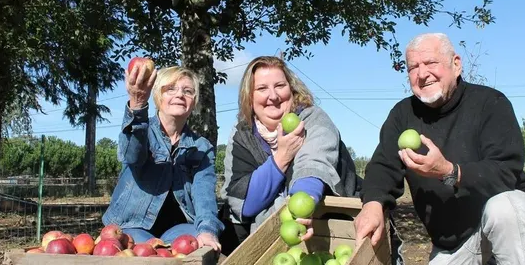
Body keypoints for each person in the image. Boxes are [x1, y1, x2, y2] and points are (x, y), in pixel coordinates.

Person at [354, 33, 525, 265]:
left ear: (456, 64)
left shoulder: (490, 103)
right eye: (413, 67)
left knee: (505, 208)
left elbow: (506, 171)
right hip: (454, 240)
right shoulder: (402, 115)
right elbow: (384, 164)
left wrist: (450, 172)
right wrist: (373, 202)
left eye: (430, 62)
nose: (422, 74)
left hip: (500, 218)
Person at [218, 56, 360, 252]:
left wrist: (304, 201)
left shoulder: (313, 120)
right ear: (249, 97)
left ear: (292, 90)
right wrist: (281, 159)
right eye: (262, 89)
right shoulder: (242, 134)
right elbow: (242, 201)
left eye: (279, 85)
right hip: (268, 245)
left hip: (332, 229)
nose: (273, 96)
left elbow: (313, 162)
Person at [102, 63, 224, 252]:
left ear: (194, 100)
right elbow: (132, 155)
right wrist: (137, 105)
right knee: (144, 254)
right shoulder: (143, 131)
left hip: (180, 227)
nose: (179, 95)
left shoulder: (201, 148)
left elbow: (204, 196)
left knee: (198, 243)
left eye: (188, 91)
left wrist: (207, 230)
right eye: (170, 89)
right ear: (158, 96)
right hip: (133, 224)